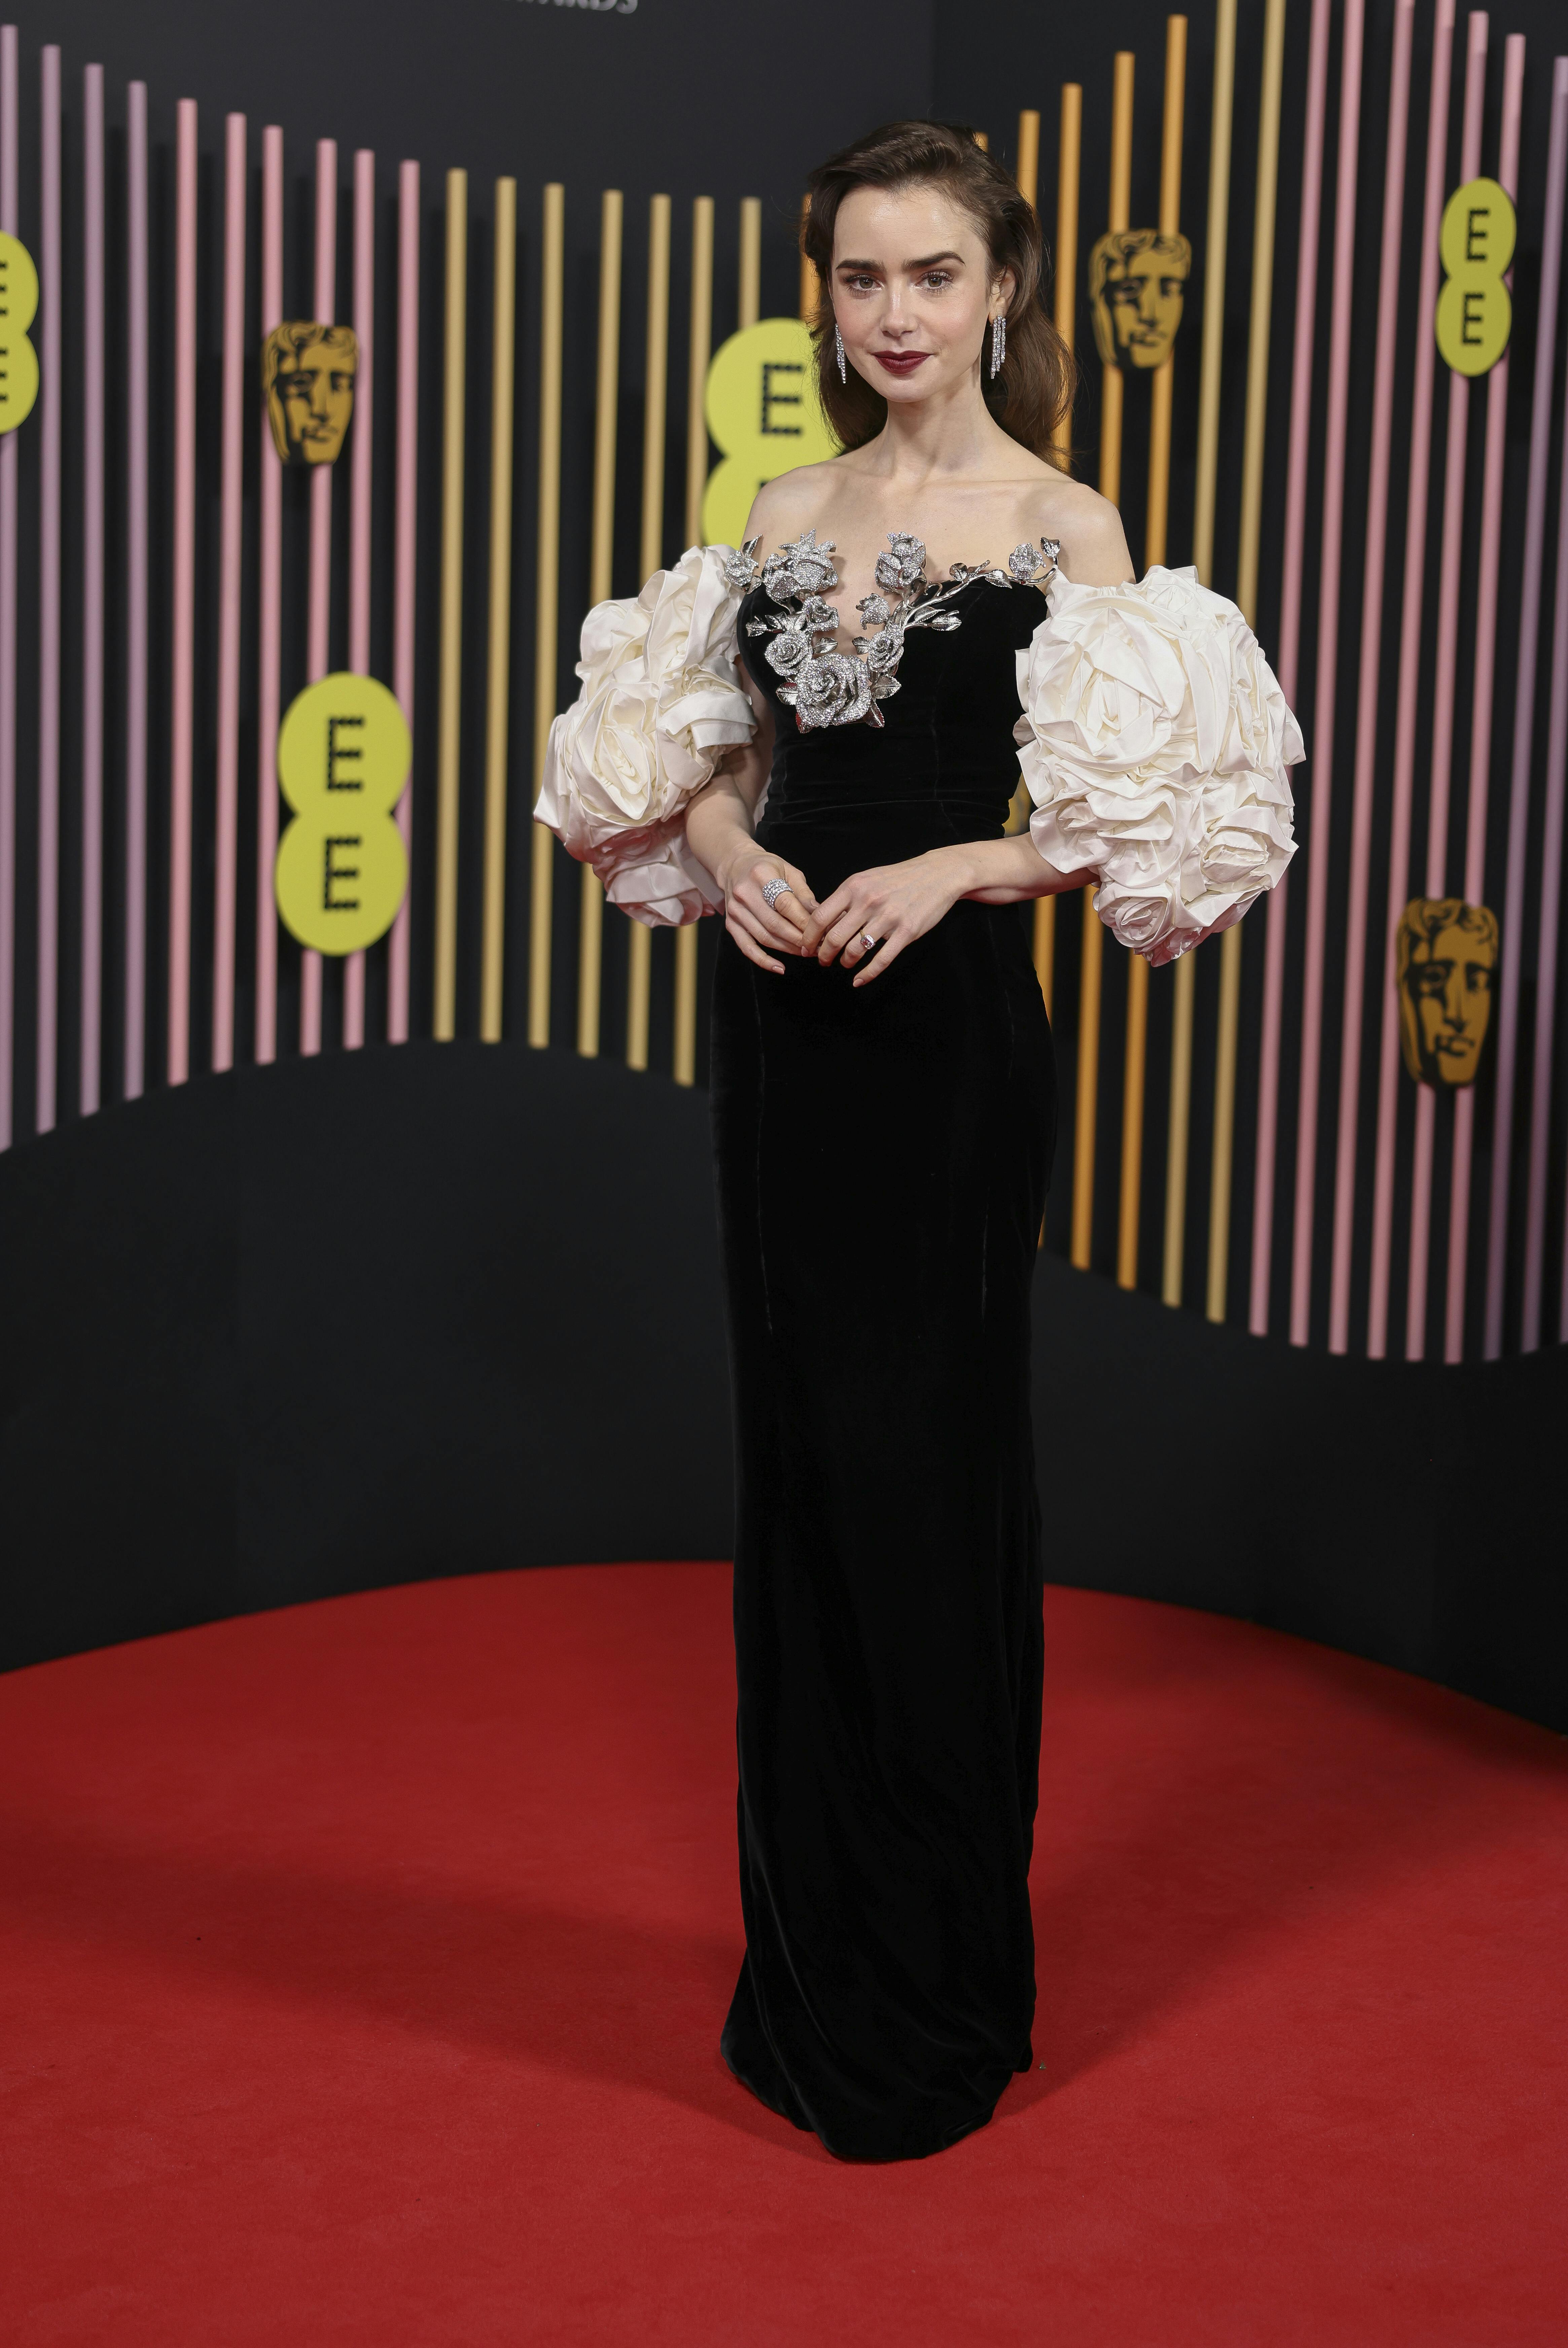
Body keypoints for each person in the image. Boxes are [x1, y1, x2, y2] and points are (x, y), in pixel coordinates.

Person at [538, 119, 1302, 2162]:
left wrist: (956, 867)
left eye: (931, 277)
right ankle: (810, 1952)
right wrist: (725, 851)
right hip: (779, 1030)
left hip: (947, 1044)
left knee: (923, 1469)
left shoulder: (1068, 524)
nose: (893, 315)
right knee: (797, 1463)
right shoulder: (782, 504)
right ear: (826, 294)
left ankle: (939, 1972)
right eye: (860, 280)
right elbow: (699, 769)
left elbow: (1149, 823)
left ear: (1000, 290)